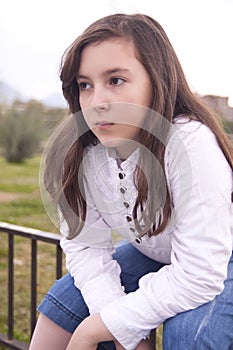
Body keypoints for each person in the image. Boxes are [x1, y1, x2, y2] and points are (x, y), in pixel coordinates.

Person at [29, 13, 233, 350]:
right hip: (159, 253)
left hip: (219, 256)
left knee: (188, 334)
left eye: (116, 80)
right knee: (65, 301)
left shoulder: (190, 142)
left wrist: (96, 330)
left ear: (157, 80)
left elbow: (199, 273)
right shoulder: (85, 150)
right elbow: (85, 247)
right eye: (85, 85)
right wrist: (121, 328)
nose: (97, 102)